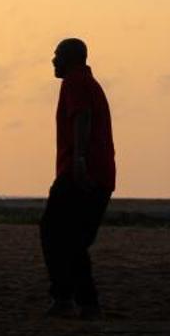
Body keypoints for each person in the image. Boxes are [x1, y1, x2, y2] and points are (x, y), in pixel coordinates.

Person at [40, 38, 115, 320]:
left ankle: (69, 299)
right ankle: (79, 301)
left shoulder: (75, 82)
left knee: (55, 232)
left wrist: (80, 160)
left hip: (82, 173)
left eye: (57, 54)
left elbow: (82, 117)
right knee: (72, 239)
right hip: (97, 173)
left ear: (71, 58)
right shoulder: (84, 82)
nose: (53, 60)